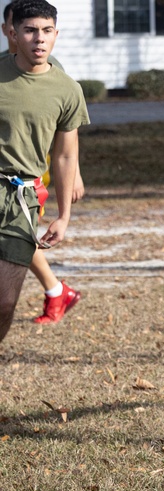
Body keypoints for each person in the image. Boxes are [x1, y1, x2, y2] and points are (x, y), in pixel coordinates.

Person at [0, 0, 88, 344]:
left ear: (56, 35)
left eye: (47, 31)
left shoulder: (67, 89)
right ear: (13, 33)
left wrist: (63, 216)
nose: (40, 39)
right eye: (30, 30)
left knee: (5, 302)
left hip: (21, 201)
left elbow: (66, 155)